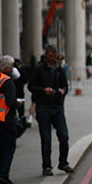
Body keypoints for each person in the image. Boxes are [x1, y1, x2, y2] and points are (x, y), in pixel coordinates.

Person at [28, 46, 73, 176]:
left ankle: (63, 162)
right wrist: (43, 90)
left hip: (57, 107)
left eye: (55, 56)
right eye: (51, 56)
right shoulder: (38, 69)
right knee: (46, 138)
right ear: (46, 55)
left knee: (64, 136)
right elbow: (31, 86)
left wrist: (63, 91)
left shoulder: (59, 69)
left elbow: (65, 86)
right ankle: (46, 166)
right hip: (43, 107)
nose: (53, 59)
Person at [0, 55, 21, 184]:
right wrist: (19, 104)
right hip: (6, 119)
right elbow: (10, 102)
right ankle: (3, 175)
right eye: (11, 66)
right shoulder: (8, 82)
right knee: (9, 148)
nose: (13, 69)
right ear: (6, 68)